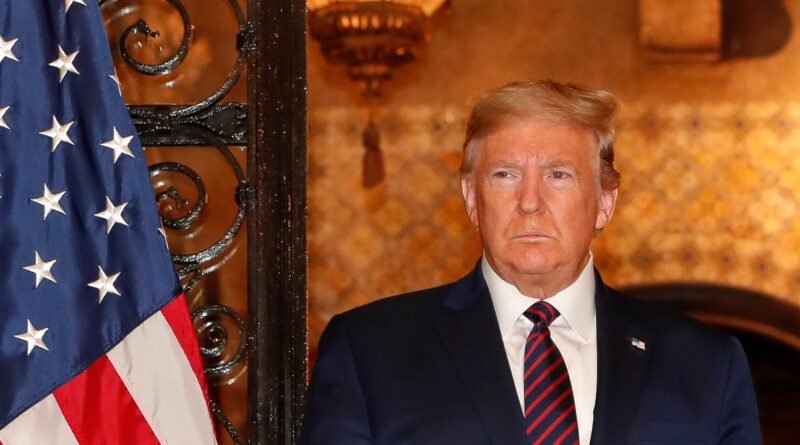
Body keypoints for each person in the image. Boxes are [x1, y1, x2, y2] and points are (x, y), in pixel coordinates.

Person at [300, 80, 762, 445]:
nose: (529, 202)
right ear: (472, 199)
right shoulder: (369, 351)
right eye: (505, 175)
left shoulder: (706, 364)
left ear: (604, 202)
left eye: (558, 175)